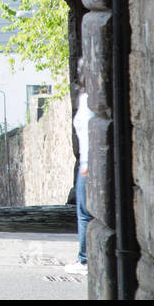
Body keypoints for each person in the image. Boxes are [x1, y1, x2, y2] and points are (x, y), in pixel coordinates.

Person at [65, 92, 93, 274]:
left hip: (88, 163)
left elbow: (87, 132)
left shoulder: (88, 99)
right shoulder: (90, 97)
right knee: (86, 212)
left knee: (84, 213)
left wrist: (84, 164)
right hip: (90, 161)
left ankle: (84, 259)